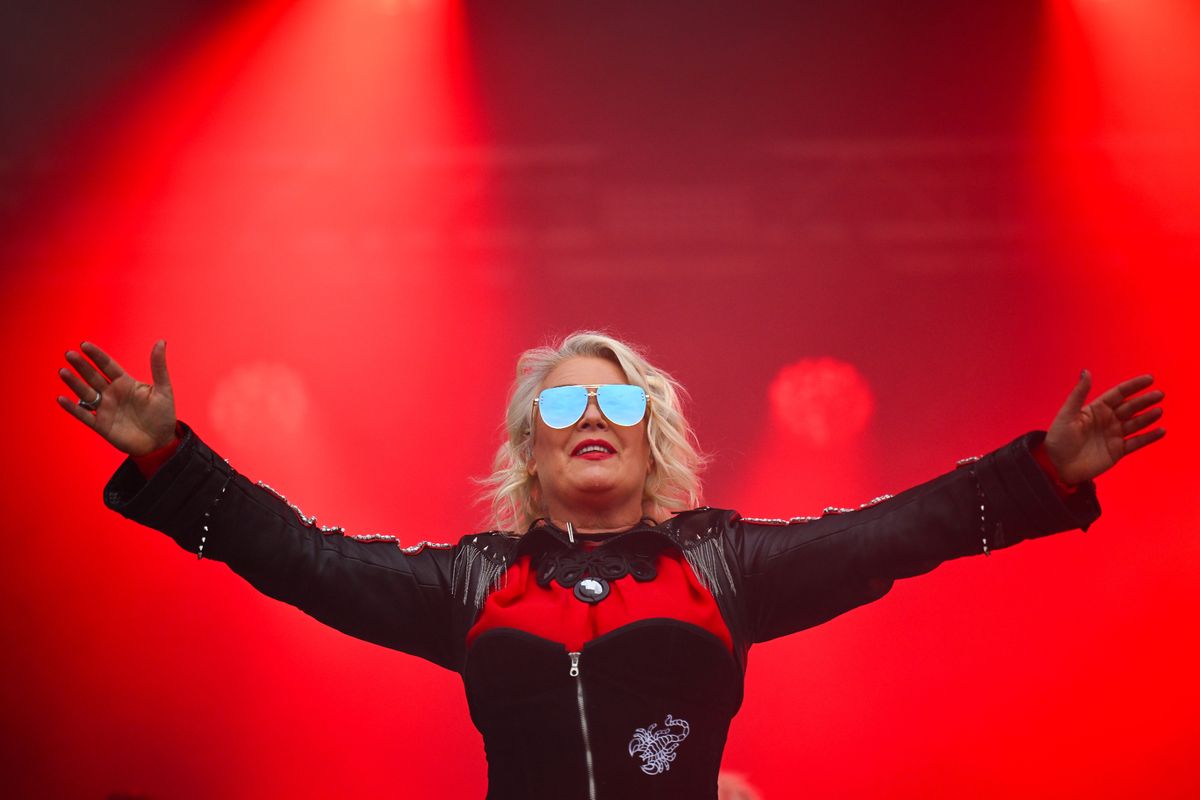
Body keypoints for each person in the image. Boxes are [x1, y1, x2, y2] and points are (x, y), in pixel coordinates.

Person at [57, 333, 1166, 799]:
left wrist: (1042, 473)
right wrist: (169, 454)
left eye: (619, 395)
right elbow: (297, 556)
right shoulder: (471, 581)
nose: (593, 409)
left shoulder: (723, 563)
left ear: (651, 438)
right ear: (530, 448)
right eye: (565, 399)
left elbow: (897, 530)